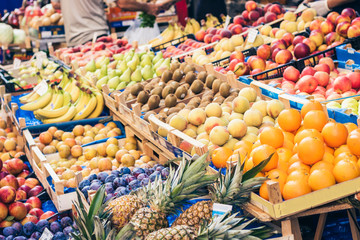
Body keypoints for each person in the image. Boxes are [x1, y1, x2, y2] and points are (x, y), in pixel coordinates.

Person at [52, 0, 159, 46]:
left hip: (72, 39)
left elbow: (55, 4)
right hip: (96, 37)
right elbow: (122, 3)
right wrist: (147, 7)